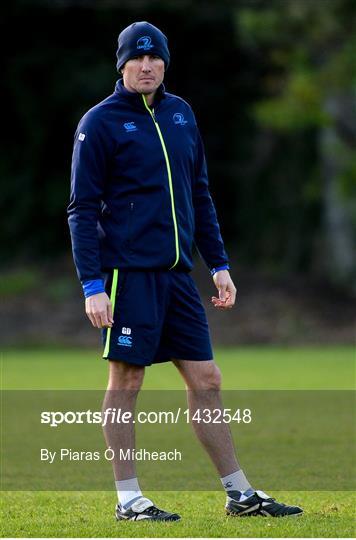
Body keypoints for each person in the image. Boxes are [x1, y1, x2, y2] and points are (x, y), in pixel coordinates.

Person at [68, 21, 303, 522]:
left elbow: (199, 194)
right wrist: (92, 285)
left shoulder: (181, 115)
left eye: (155, 59)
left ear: (165, 64)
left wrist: (218, 264)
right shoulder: (100, 122)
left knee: (207, 378)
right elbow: (81, 210)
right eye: (137, 58)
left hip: (178, 276)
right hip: (126, 275)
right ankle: (129, 500)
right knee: (127, 381)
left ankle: (239, 494)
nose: (147, 66)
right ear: (122, 64)